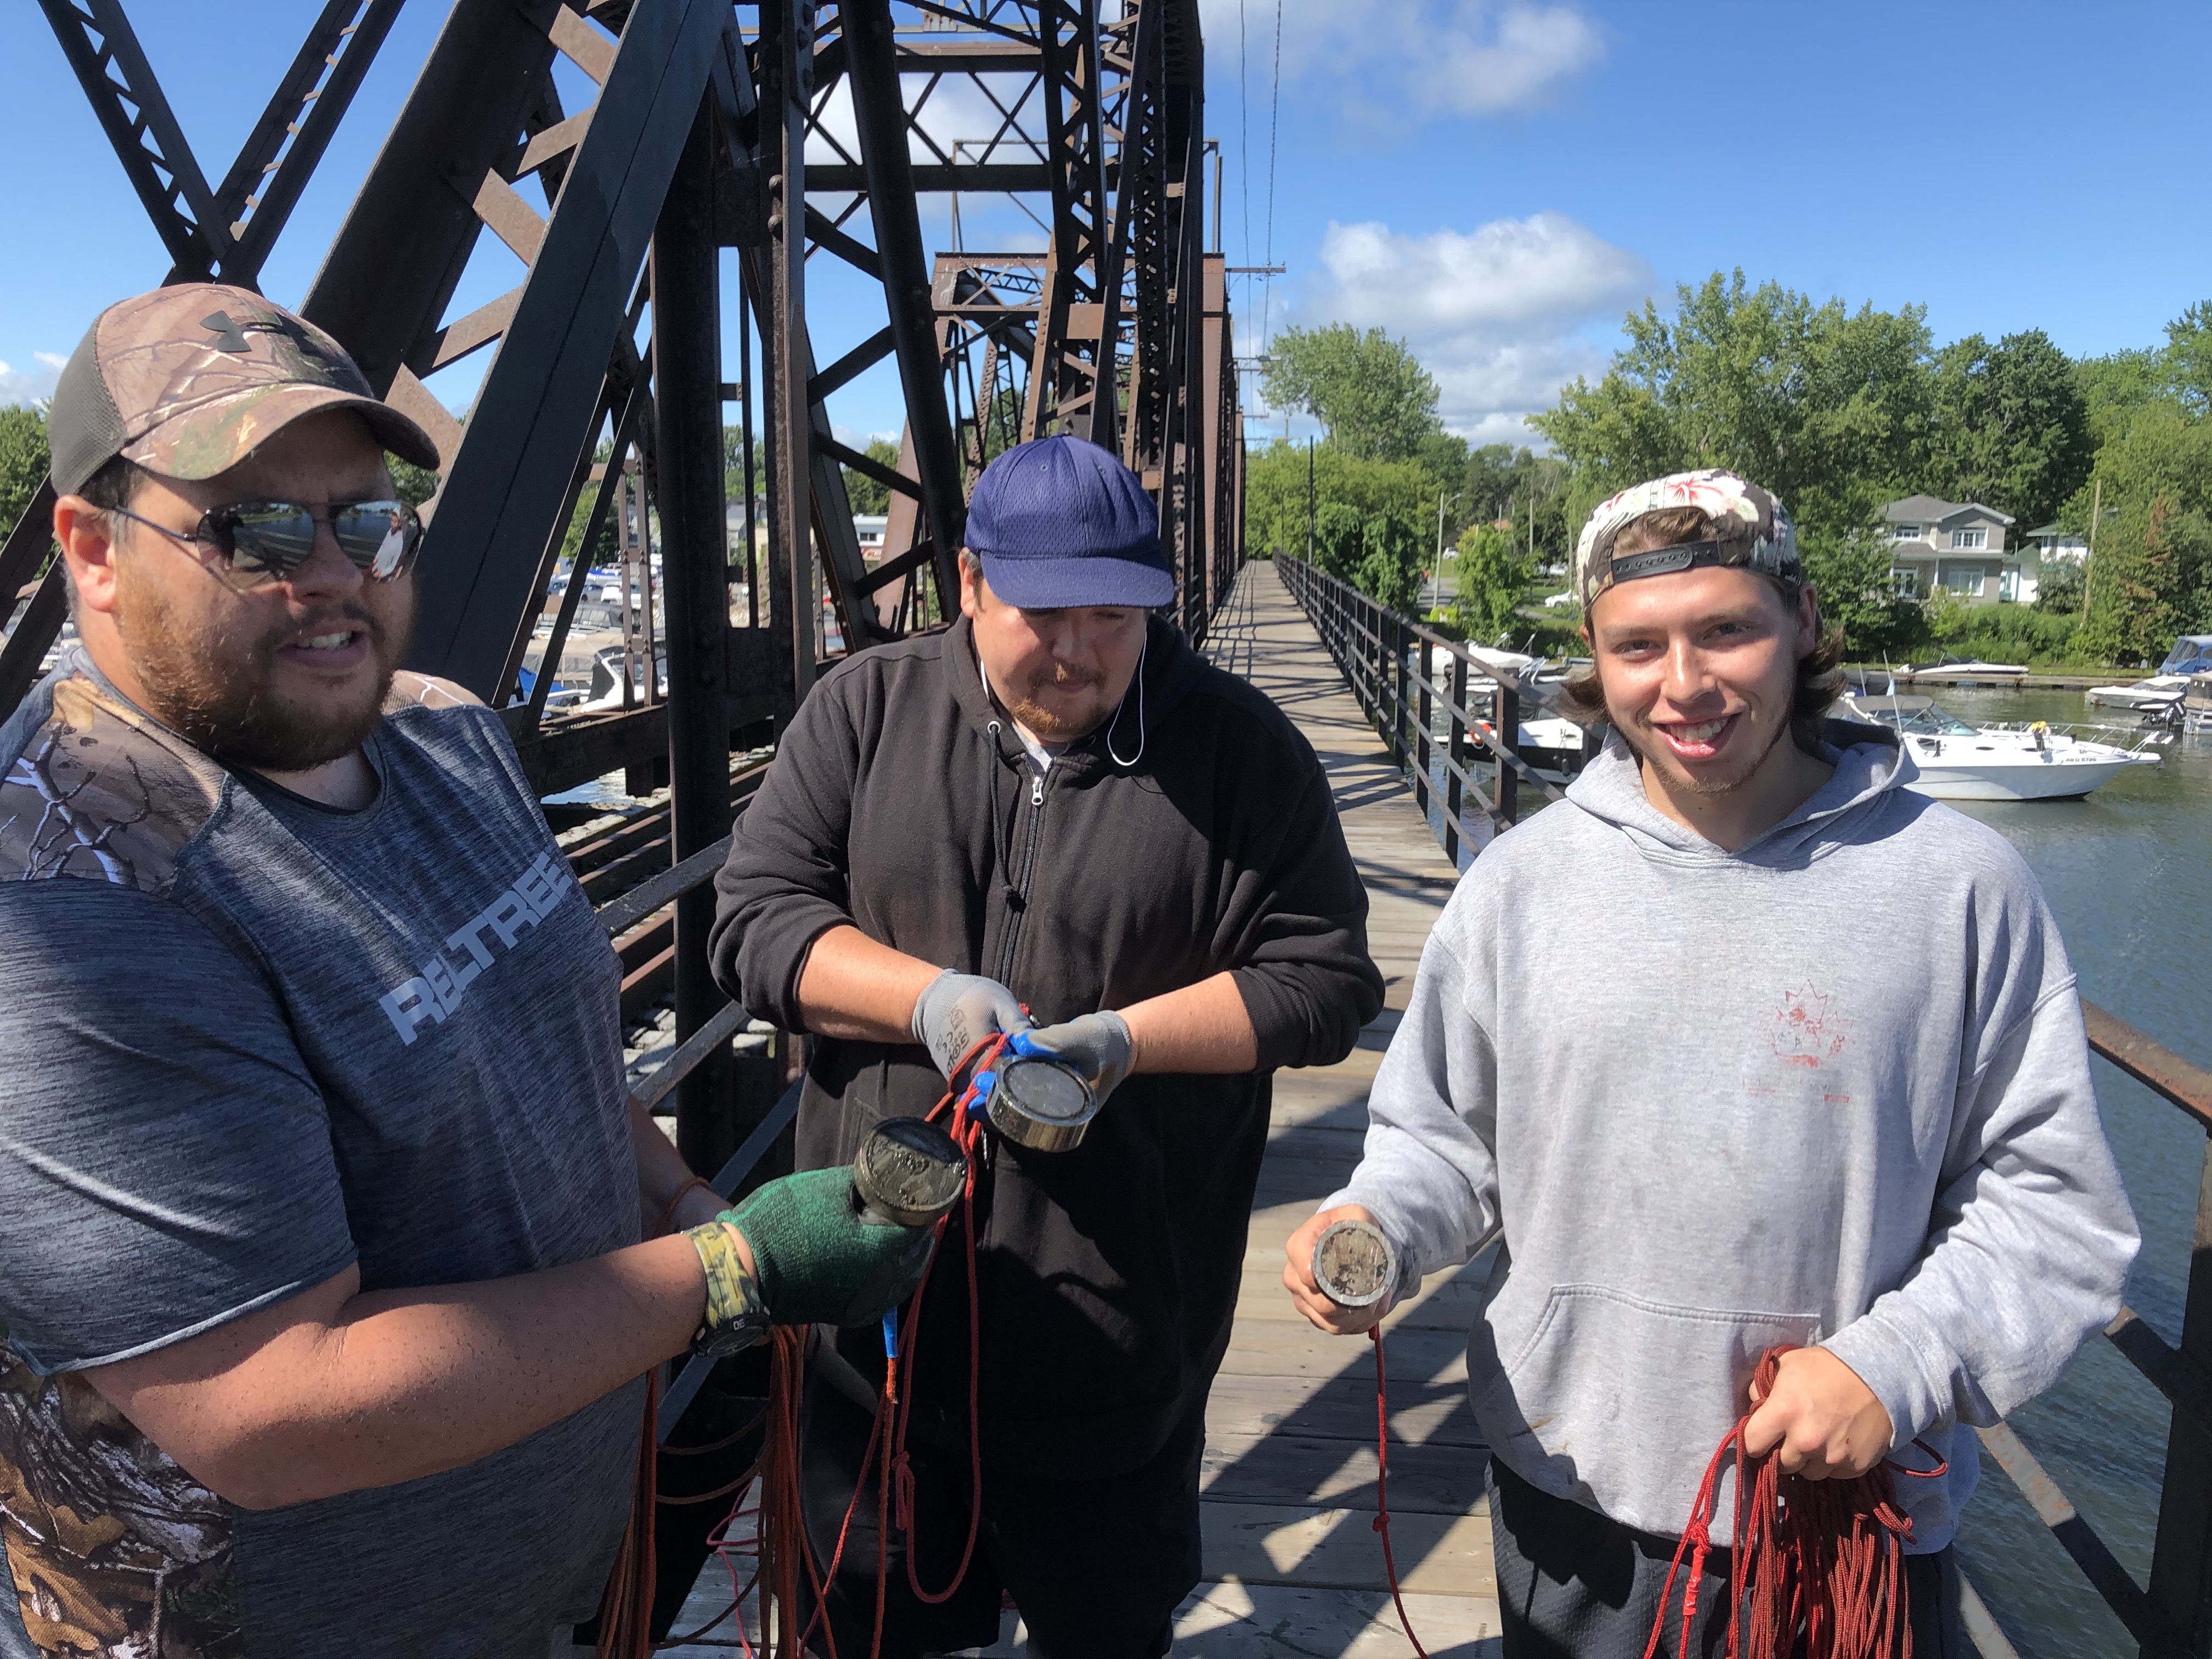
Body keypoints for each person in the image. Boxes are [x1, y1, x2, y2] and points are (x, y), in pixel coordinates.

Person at [0, 284, 937, 1658]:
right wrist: (730, 1272)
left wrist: (679, 1199)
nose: (330, 574)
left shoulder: (442, 731)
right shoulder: (77, 898)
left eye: (368, 522)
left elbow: (548, 1051)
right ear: (92, 546)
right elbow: (267, 1408)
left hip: (550, 1578)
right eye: (253, 529)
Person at [1283, 469, 2140, 1656]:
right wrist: (1372, 1225)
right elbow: (1444, 1143)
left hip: (1843, 1526)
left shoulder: (1963, 885)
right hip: (1571, 1500)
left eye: (1726, 629)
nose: (1684, 684)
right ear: (1594, 650)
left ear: (1800, 621)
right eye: (1639, 646)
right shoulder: (1518, 888)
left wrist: (1894, 1370)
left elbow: (2058, 1215)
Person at [712, 433, 1384, 1658]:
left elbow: (1326, 981)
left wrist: (1125, 1043)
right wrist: (928, 1004)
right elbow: (756, 921)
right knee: (859, 1629)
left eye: (1117, 617)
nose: (1079, 649)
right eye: (1044, 610)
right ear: (968, 580)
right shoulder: (866, 711)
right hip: (874, 1335)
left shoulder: (1241, 749)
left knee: (1105, 1629)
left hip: (1120, 1333)